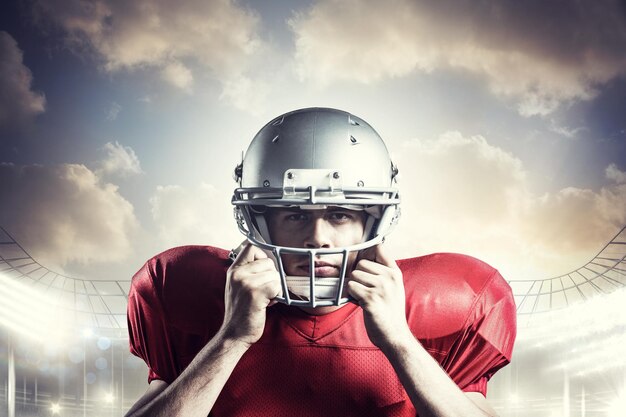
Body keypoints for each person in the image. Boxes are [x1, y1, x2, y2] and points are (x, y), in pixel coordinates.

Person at [125, 107, 516, 417]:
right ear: (260, 222)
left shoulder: (445, 302)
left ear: (372, 220)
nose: (317, 237)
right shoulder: (183, 289)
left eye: (340, 214)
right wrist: (230, 339)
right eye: (294, 214)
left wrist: (399, 341)